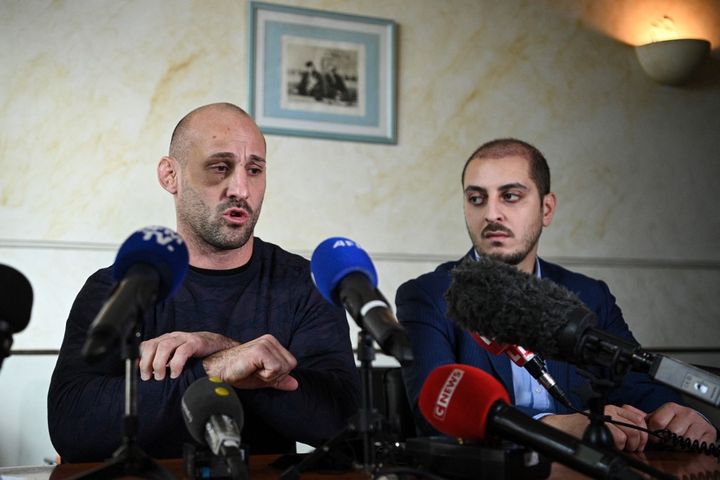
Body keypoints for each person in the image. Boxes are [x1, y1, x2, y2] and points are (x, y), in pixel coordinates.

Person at [48, 103, 361, 462]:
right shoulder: (118, 289)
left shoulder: (306, 285)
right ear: (170, 175)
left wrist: (223, 348)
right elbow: (71, 425)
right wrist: (218, 367)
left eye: (254, 169)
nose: (241, 188)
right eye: (220, 167)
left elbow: (342, 423)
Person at [396, 138, 717, 452]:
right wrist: (551, 426)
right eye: (477, 199)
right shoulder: (429, 296)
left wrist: (681, 418)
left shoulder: (590, 294)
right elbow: (435, 416)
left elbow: (637, 387)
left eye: (510, 196)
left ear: (546, 209)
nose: (491, 213)